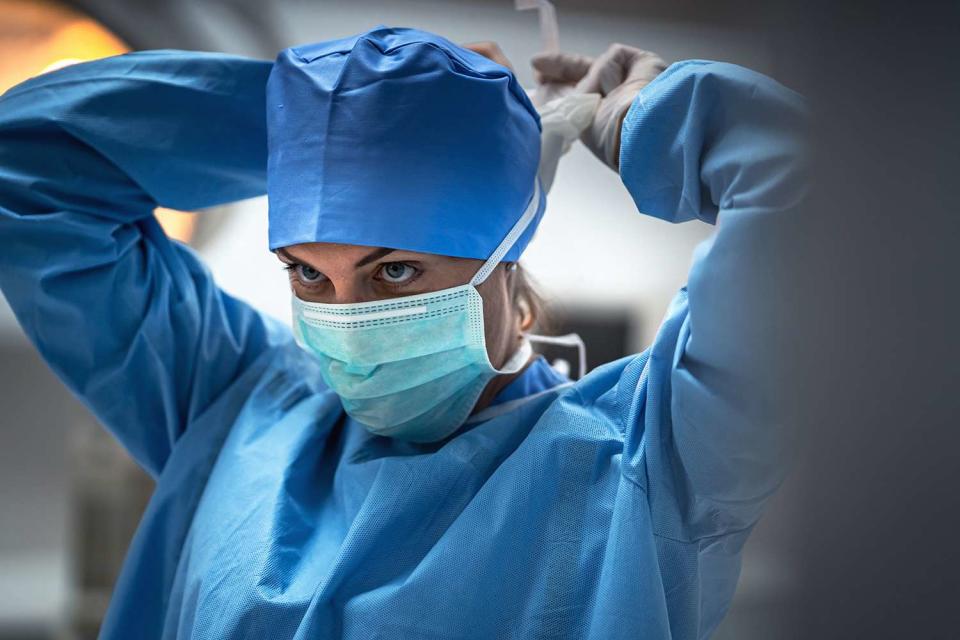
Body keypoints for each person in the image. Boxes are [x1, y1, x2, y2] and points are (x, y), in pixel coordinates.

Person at [0, 26, 805, 640]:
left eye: (393, 273)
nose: (345, 319)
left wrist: (648, 121)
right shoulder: (236, 403)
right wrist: (327, 119)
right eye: (309, 274)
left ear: (505, 261)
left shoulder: (653, 458)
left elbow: (819, 197)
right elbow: (24, 164)